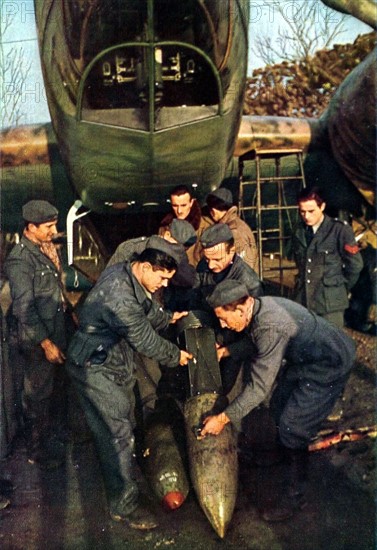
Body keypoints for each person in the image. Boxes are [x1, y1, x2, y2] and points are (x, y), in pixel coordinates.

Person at [201, 279, 355, 521]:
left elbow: (259, 388)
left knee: (294, 426)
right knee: (279, 405)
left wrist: (223, 418)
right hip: (305, 359)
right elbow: (256, 341)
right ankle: (282, 453)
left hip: (328, 364)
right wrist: (228, 351)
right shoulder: (257, 309)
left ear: (241, 308)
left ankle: (295, 498)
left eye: (223, 318)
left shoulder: (270, 325)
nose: (223, 325)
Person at [66, 236, 192, 529]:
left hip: (110, 357)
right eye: (161, 277)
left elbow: (146, 309)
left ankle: (121, 476)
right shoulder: (118, 294)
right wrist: (177, 356)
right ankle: (123, 505)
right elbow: (145, 339)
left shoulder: (128, 271)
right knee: (117, 433)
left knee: (120, 421)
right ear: (146, 267)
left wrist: (169, 318)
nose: (163, 284)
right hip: (94, 365)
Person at [4, 200, 73, 470]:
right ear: (30, 227)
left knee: (53, 390)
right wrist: (46, 343)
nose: (53, 230)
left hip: (54, 331)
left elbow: (55, 288)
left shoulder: (42, 250)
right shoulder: (20, 260)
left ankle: (50, 437)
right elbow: (24, 308)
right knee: (37, 396)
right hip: (37, 339)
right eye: (48, 226)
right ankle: (36, 450)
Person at [291, 187, 363, 327]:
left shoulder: (340, 230)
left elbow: (355, 265)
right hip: (303, 302)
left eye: (311, 211)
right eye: (302, 211)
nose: (306, 216)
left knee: (331, 345)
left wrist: (339, 287)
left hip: (330, 304)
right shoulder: (298, 231)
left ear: (322, 206)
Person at [206, 187, 259, 274]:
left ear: (213, 211)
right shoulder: (237, 225)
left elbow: (246, 266)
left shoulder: (234, 232)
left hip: (241, 285)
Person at [158, 184, 212, 265]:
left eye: (183, 205)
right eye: (175, 206)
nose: (179, 211)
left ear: (191, 202)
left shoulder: (205, 227)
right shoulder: (165, 227)